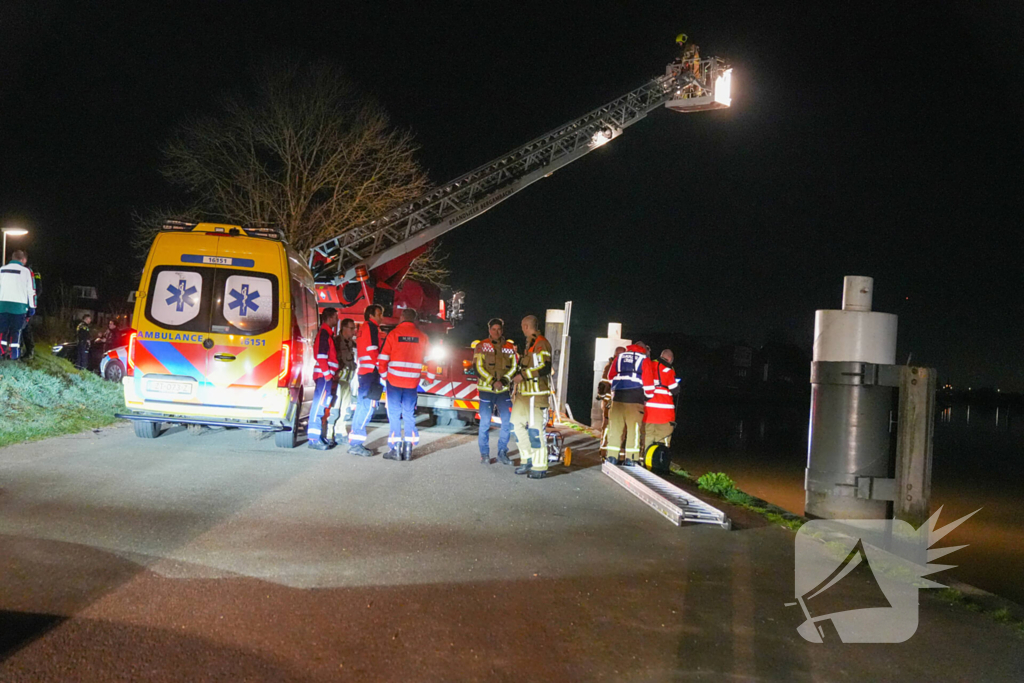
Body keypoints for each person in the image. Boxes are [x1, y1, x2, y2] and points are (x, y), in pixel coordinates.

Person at [378, 308, 431, 461]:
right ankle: (408, 449)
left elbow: (383, 358)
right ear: (414, 319)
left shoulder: (393, 334)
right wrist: (430, 377)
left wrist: (384, 375)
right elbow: (431, 360)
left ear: (402, 317)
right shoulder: (422, 337)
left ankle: (395, 449)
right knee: (408, 413)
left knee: (394, 414)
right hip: (412, 382)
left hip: (394, 381)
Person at [510, 315, 552, 480]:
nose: (522, 330)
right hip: (523, 395)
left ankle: (539, 466)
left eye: (523, 326)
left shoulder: (541, 343)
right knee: (515, 425)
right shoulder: (530, 345)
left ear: (526, 326)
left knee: (535, 431)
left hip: (536, 395)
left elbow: (545, 367)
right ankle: (526, 459)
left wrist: (524, 375)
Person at [474, 318, 519, 465]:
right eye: (493, 329)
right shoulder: (481, 346)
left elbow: (514, 367)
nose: (496, 332)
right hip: (487, 391)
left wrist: (504, 381)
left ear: (502, 330)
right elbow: (478, 368)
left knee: (507, 422)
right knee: (485, 423)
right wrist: (493, 382)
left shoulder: (510, 347)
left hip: (503, 391)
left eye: (499, 329)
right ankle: (484, 454)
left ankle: (502, 452)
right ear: (489, 330)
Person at [603, 341, 655, 466]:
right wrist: (648, 396)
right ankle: (631, 458)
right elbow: (648, 382)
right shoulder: (644, 360)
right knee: (634, 430)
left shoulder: (620, 357)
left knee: (615, 429)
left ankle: (611, 457)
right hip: (635, 399)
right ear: (643, 349)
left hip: (617, 399)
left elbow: (610, 377)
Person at [348, 304, 385, 456]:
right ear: (372, 315)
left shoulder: (363, 328)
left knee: (363, 407)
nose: (381, 317)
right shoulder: (372, 328)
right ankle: (356, 444)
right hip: (371, 373)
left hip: (365, 373)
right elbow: (373, 351)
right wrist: (382, 370)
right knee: (368, 408)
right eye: (379, 314)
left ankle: (354, 441)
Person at [308, 308, 340, 450]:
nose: (337, 320)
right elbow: (321, 356)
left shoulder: (326, 333)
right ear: (330, 318)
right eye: (336, 317)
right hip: (324, 376)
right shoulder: (325, 334)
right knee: (319, 405)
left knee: (322, 405)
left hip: (325, 376)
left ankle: (318, 437)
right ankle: (314, 439)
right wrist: (327, 374)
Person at [325, 317, 358, 447]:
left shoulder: (350, 343)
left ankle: (341, 432)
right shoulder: (336, 342)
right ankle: (329, 434)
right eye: (351, 328)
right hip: (337, 381)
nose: (353, 331)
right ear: (343, 328)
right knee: (334, 409)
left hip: (347, 381)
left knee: (346, 409)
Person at [0, 249, 37, 361]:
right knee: (16, 331)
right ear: (22, 260)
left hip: (2, 305)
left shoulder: (2, 269)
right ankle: (14, 355)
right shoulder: (27, 272)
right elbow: (31, 291)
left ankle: (1, 352)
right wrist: (32, 307)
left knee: (2, 331)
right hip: (19, 307)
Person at [643, 349, 680, 450]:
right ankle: (658, 461)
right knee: (662, 439)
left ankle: (645, 460)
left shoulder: (649, 365)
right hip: (665, 414)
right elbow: (675, 390)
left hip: (648, 412)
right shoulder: (669, 370)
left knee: (648, 437)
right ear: (670, 359)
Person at [597, 346, 625, 437]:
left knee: (621, 426)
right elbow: (603, 385)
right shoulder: (609, 366)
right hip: (610, 402)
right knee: (607, 424)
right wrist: (606, 401)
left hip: (620, 402)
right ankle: (604, 446)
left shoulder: (624, 366)